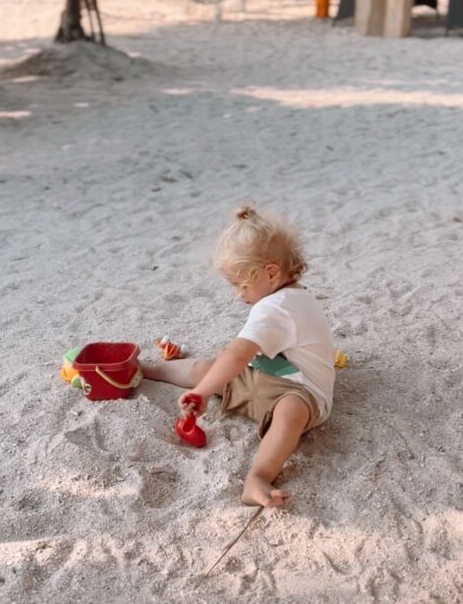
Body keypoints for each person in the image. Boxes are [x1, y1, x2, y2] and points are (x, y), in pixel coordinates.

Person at [143, 206, 335, 507]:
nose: (237, 294)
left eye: (240, 284)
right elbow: (238, 358)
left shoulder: (277, 308)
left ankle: (258, 476)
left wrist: (202, 392)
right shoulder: (289, 296)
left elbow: (237, 354)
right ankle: (148, 370)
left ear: (271, 273)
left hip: (303, 392)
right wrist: (214, 375)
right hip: (273, 374)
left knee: (289, 412)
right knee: (210, 366)